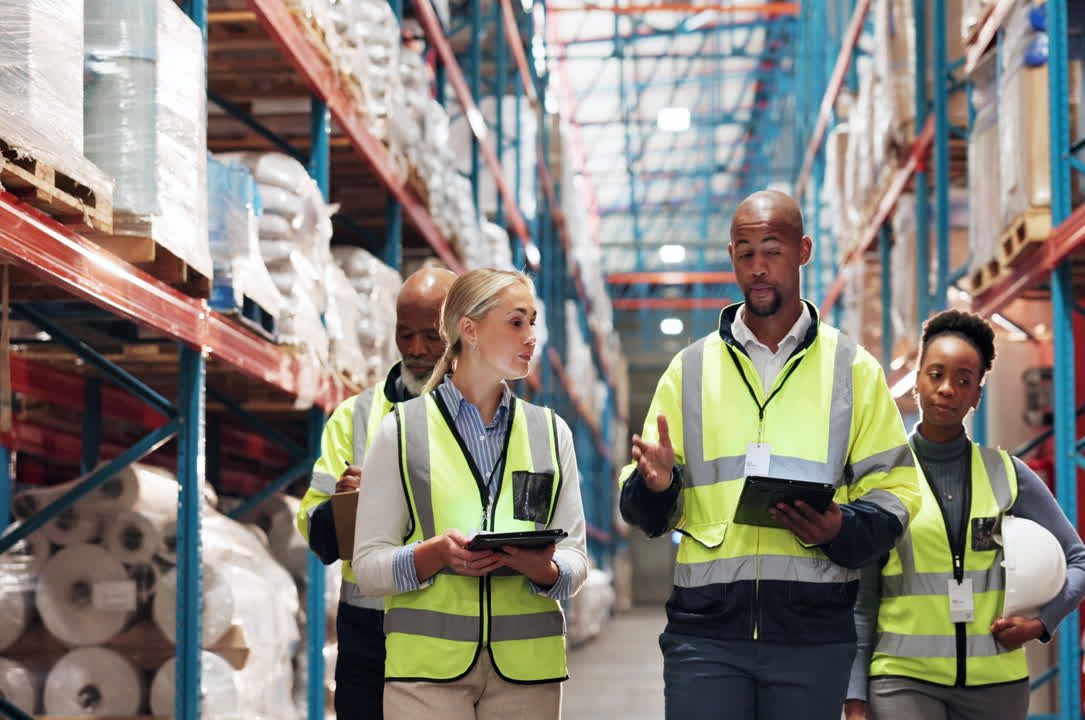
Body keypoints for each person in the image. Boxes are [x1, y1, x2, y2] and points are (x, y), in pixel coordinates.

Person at [619, 190, 922, 720]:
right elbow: (642, 508)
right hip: (706, 635)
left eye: (772, 251)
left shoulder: (852, 369)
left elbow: (896, 491)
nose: (758, 267)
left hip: (813, 637)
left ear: (803, 251)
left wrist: (841, 529)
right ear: (731, 257)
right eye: (745, 253)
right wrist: (657, 484)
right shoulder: (689, 371)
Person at [352, 269, 588, 720]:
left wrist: (547, 570)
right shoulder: (401, 431)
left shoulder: (550, 432)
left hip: (528, 673)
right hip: (425, 673)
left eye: (533, 322)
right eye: (516, 322)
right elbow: (367, 567)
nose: (531, 337)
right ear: (470, 330)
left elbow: (576, 558)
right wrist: (433, 555)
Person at [844, 309, 1085, 720]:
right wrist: (855, 699)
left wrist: (1041, 624)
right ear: (918, 381)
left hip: (996, 684)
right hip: (902, 678)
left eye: (963, 380)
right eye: (936, 375)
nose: (947, 389)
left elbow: (1081, 563)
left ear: (977, 394)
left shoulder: (1009, 474)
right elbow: (863, 598)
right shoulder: (881, 477)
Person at [296, 266, 456, 720]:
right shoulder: (355, 416)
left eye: (432, 336)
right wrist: (343, 506)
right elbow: (318, 535)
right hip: (370, 636)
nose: (416, 349)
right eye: (405, 334)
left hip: (456, 632)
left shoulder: (486, 418)